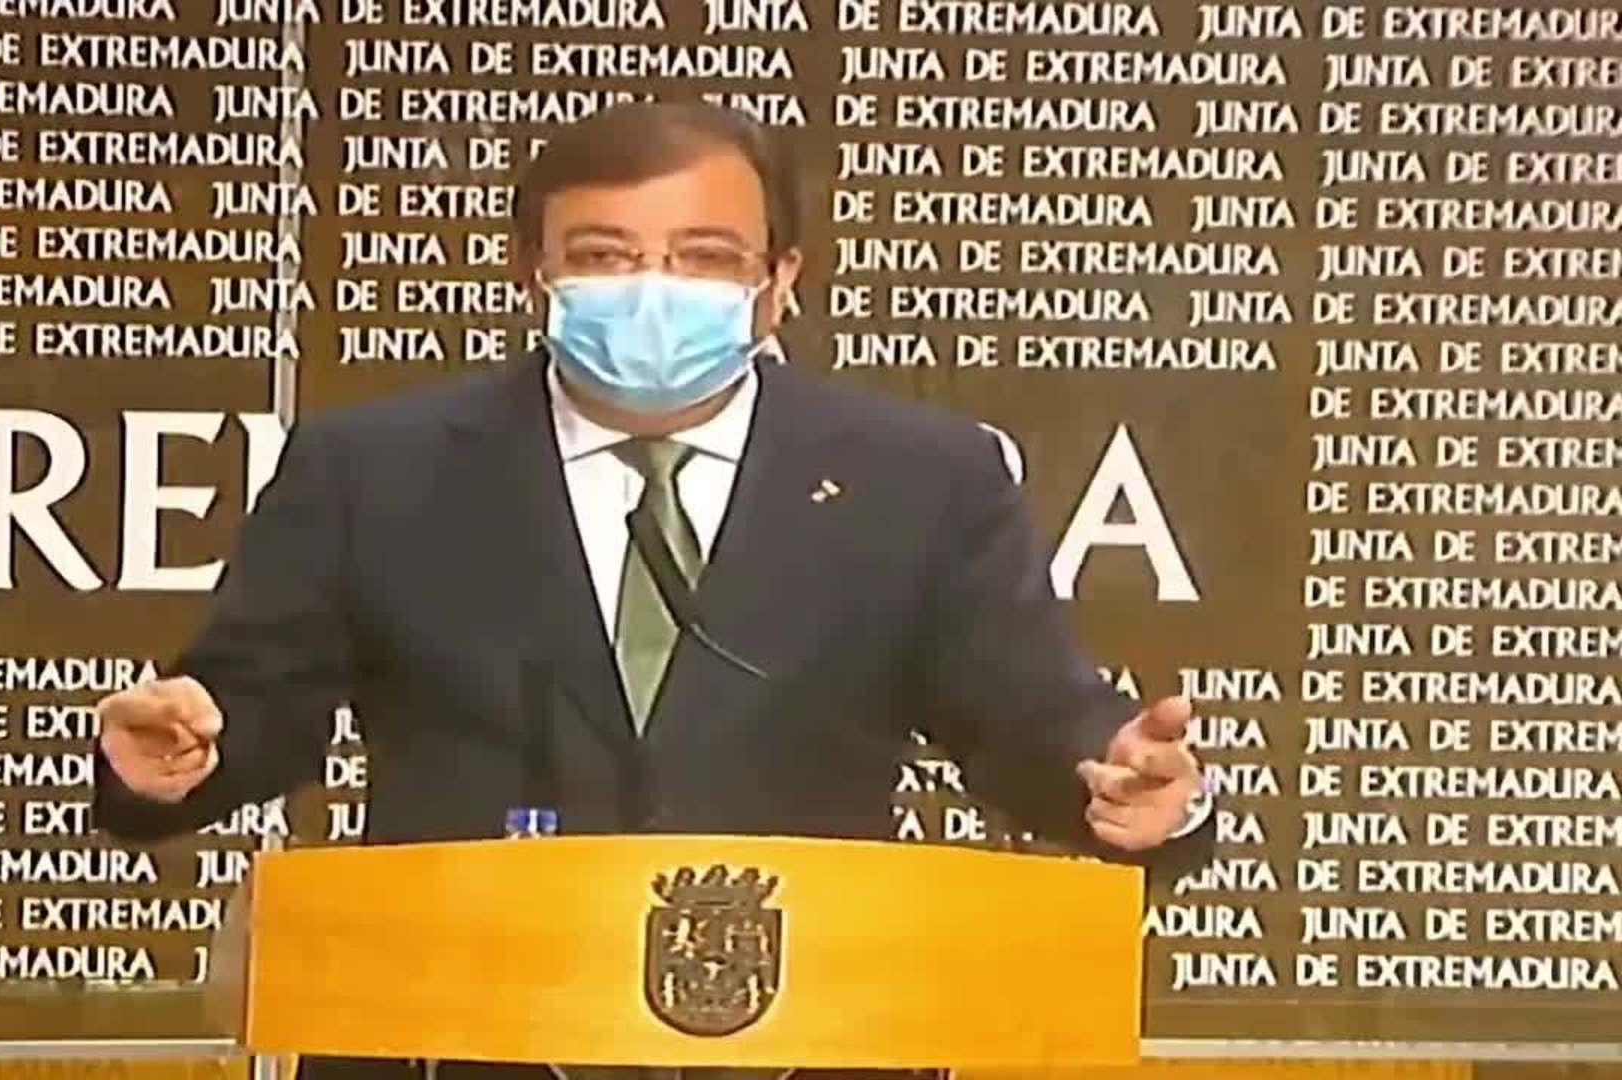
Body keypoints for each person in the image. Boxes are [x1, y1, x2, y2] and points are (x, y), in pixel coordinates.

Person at [93, 102, 1213, 1079]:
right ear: (535, 275)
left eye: (704, 256)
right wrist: (178, 756)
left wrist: (1120, 783)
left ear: (780, 282)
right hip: (455, 1040)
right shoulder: (373, 470)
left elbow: (1026, 713)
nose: (651, 292)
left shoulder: (922, 478)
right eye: (605, 255)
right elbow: (255, 703)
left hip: (807, 1042)